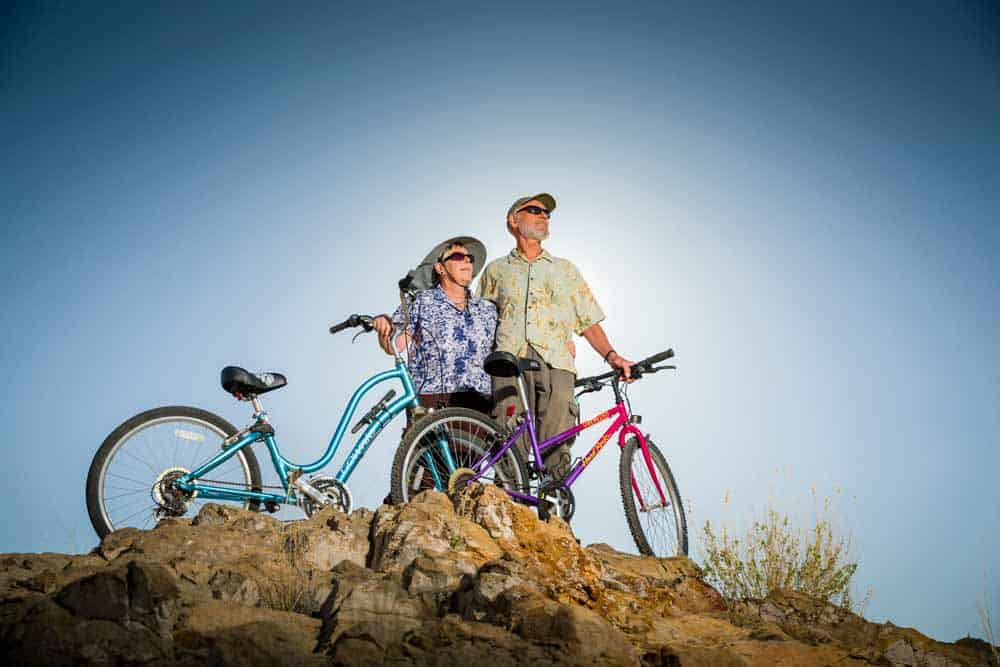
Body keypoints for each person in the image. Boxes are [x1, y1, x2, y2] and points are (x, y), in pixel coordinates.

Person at [476, 193, 634, 477]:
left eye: (547, 213)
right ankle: (510, 504)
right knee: (508, 438)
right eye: (535, 210)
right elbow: (481, 322)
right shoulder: (495, 271)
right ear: (514, 220)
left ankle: (553, 511)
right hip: (509, 361)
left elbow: (588, 322)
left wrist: (612, 356)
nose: (544, 216)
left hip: (558, 362)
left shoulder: (565, 270)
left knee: (557, 444)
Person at [373, 237, 497, 414]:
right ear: (440, 268)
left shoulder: (488, 309)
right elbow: (396, 346)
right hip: (432, 400)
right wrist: (384, 329)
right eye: (457, 257)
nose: (467, 261)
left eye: (470, 259)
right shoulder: (421, 301)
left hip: (480, 404)